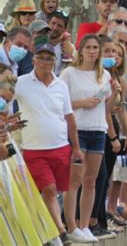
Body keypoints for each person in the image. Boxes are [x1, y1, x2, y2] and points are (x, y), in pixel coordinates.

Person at [16, 36, 84, 244]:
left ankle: (50, 235)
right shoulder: (21, 82)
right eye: (41, 58)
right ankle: (61, 231)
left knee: (55, 193)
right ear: (34, 59)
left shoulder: (60, 85)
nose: (45, 62)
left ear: (54, 61)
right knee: (50, 190)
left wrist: (77, 148)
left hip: (61, 147)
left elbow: (69, 117)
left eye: (49, 58)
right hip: (34, 149)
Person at [61, 34, 121, 243]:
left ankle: (85, 225)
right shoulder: (69, 73)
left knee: (91, 180)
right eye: (89, 47)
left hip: (97, 130)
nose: (93, 51)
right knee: (74, 180)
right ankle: (71, 225)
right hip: (78, 130)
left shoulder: (103, 74)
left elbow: (107, 108)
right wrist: (81, 103)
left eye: (96, 48)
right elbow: (61, 102)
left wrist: (114, 94)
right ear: (81, 49)